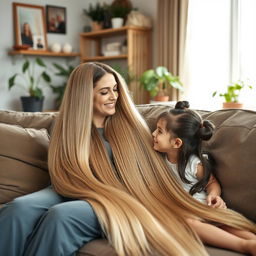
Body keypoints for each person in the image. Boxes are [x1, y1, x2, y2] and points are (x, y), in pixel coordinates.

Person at [0, 63, 255, 256]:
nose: (114, 96)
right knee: (17, 209)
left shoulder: (132, 128)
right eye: (104, 92)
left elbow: (159, 169)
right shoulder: (64, 128)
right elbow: (62, 175)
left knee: (61, 217)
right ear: (83, 96)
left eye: (115, 90)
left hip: (114, 196)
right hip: (69, 187)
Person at [152, 100, 256, 254]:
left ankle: (250, 243)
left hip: (204, 207)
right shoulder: (158, 160)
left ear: (176, 143)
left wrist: (215, 196)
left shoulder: (194, 164)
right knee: (191, 223)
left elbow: (212, 182)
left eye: (159, 131)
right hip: (188, 213)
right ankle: (244, 245)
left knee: (227, 225)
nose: (153, 133)